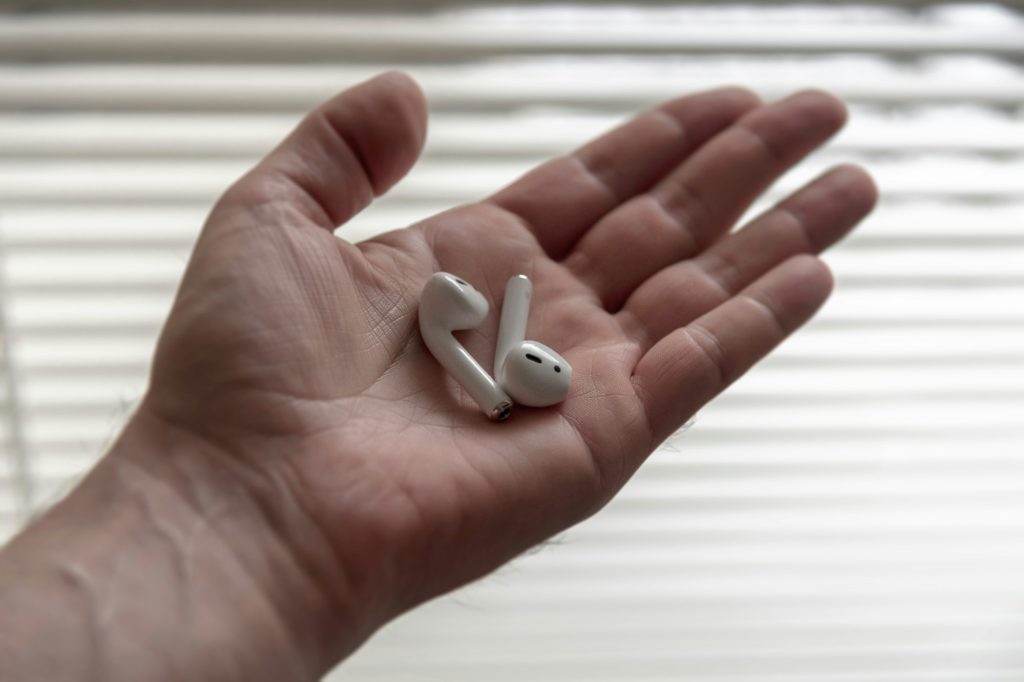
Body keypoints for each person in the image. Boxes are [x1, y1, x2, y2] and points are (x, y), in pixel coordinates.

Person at [0, 72, 876, 680]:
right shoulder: (479, 350)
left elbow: (508, 330)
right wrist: (244, 514)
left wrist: (240, 526)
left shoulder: (490, 352)